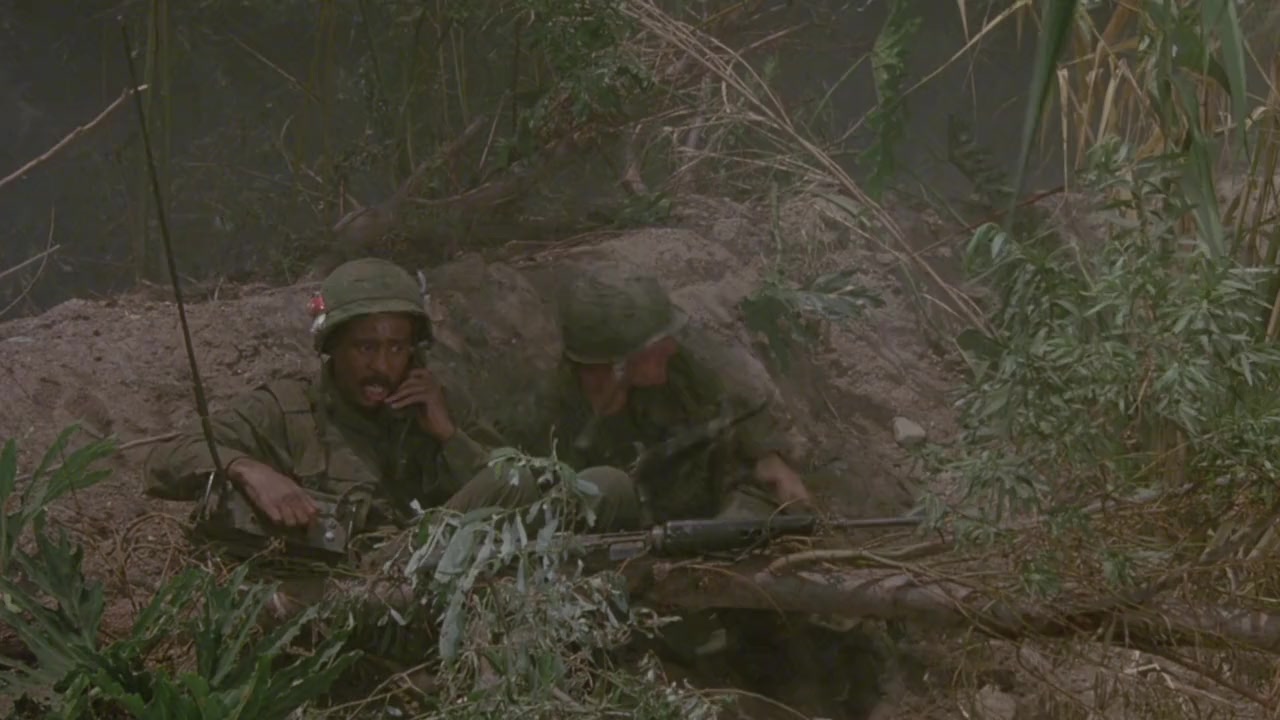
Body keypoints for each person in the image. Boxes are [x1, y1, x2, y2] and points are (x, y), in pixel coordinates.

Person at [143, 257, 640, 564]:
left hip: (455, 559)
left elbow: (510, 485)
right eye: (365, 348)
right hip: (376, 575)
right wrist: (251, 470)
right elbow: (166, 459)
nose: (382, 365)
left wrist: (449, 435)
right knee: (517, 482)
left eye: (397, 348)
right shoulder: (289, 409)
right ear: (332, 348)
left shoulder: (435, 401)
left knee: (609, 486)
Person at [511, 270, 813, 525]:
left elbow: (733, 408)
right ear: (615, 363)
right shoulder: (543, 424)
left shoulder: (678, 374)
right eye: (655, 345)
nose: (671, 348)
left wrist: (767, 458)